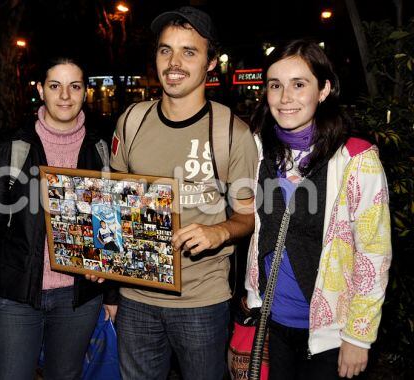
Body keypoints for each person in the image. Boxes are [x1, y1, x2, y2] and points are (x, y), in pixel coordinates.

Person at [109, 6, 258, 379]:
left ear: (209, 62)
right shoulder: (131, 121)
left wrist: (218, 231)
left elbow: (247, 217)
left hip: (201, 301)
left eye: (189, 52)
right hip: (135, 297)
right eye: (165, 50)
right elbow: (113, 202)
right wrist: (100, 257)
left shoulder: (232, 133)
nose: (174, 62)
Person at [244, 39, 392, 379]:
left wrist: (359, 335)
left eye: (299, 84)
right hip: (272, 321)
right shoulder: (258, 149)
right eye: (275, 85)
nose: (285, 98)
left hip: (330, 334)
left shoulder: (356, 159)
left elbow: (374, 253)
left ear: (323, 89)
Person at [0, 57, 117, 380]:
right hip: (18, 298)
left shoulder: (101, 149)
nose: (65, 95)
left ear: (85, 91)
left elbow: (111, 226)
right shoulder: (13, 148)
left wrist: (112, 292)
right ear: (40, 90)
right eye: (55, 86)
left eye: (74, 86)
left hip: (78, 300)